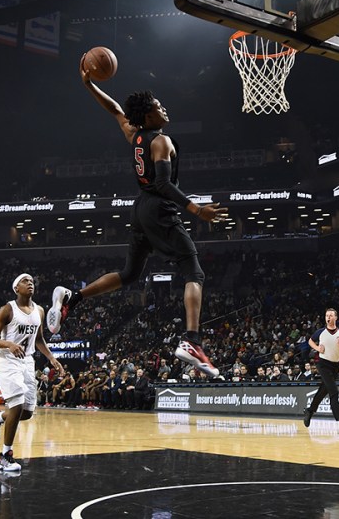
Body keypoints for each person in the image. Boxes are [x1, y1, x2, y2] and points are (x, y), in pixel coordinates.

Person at [45, 61, 229, 378]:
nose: (164, 108)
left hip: (140, 207)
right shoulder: (161, 141)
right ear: (148, 116)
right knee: (193, 272)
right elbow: (163, 184)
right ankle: (192, 342)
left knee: (130, 273)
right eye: (158, 106)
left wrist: (89, 85)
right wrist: (197, 210)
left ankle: (72, 299)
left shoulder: (134, 134)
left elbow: (116, 109)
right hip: (158, 208)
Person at [0, 274, 64, 472]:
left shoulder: (39, 310)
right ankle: (5, 456)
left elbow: (39, 339)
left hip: (27, 360)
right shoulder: (7, 309)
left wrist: (51, 358)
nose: (30, 283)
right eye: (25, 281)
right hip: (7, 359)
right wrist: (8, 344)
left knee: (27, 413)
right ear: (16, 288)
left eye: (31, 281)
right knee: (17, 404)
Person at [303, 308, 339, 432]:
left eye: (331, 315)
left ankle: (309, 410)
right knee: (333, 391)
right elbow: (310, 340)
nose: (328, 317)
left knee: (323, 390)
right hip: (323, 364)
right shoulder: (320, 332)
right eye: (326, 315)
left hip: (336, 365)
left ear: (336, 317)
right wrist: (317, 348)